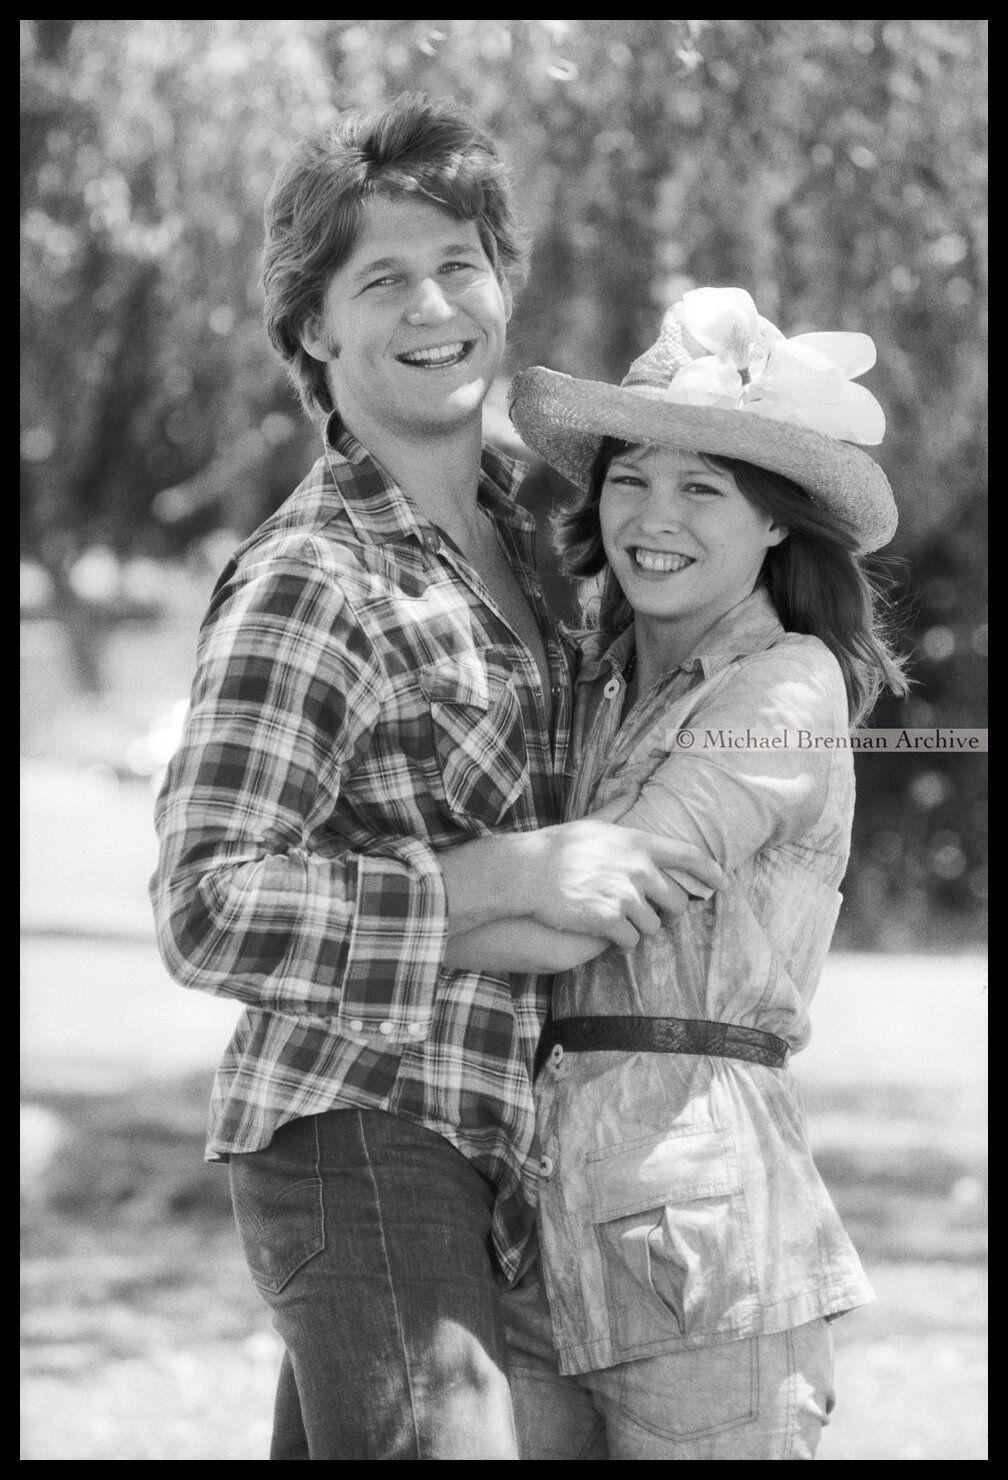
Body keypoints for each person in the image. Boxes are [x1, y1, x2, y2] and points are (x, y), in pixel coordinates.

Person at [149, 93, 720, 1461]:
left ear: (505, 286)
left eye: (460, 264)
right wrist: (499, 875)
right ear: (314, 330)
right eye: (382, 278)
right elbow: (207, 901)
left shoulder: (539, 550)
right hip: (360, 1128)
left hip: (506, 1139)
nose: (433, 304)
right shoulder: (312, 578)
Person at [490, 286, 911, 1460]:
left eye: (703, 486)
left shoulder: (789, 687)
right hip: (534, 1218)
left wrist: (353, 916)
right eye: (631, 477)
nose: (653, 515)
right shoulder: (592, 680)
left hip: (703, 1242)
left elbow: (596, 894)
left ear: (776, 521)